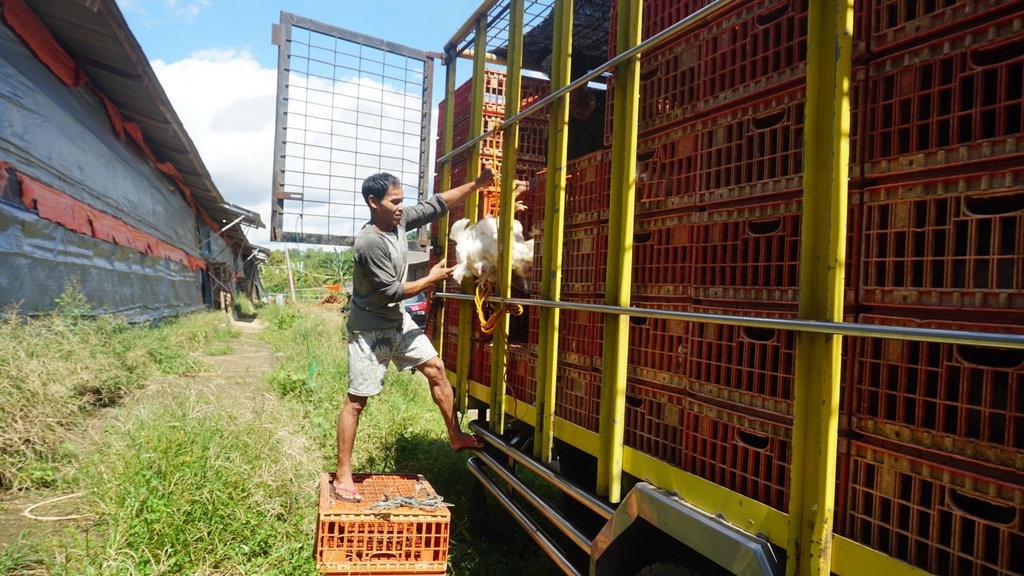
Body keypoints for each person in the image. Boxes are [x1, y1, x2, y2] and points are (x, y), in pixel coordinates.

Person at [333, 167, 524, 502]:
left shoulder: (399, 221)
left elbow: (438, 204)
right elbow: (393, 291)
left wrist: (477, 184)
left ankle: (455, 435)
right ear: (372, 202)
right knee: (357, 401)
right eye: (393, 202)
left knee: (436, 369)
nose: (399, 208)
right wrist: (432, 278)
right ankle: (344, 474)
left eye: (401, 202)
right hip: (369, 329)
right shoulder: (370, 242)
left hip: (396, 321)